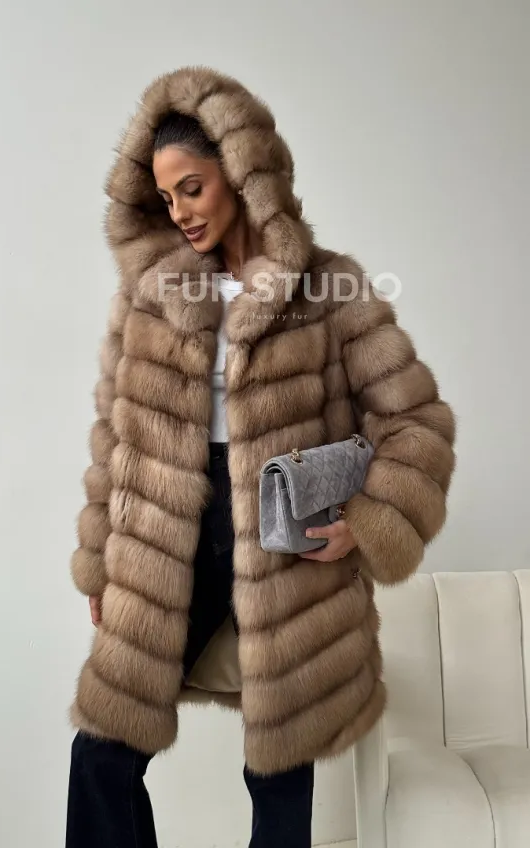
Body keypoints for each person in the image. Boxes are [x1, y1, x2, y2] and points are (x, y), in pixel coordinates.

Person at [65, 66, 456, 847]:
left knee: (277, 768)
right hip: (167, 538)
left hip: (286, 542)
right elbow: (114, 434)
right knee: (103, 753)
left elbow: (416, 422)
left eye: (193, 188)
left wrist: (366, 520)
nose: (180, 211)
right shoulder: (149, 296)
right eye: (166, 196)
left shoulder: (332, 289)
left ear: (245, 175)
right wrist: (101, 562)